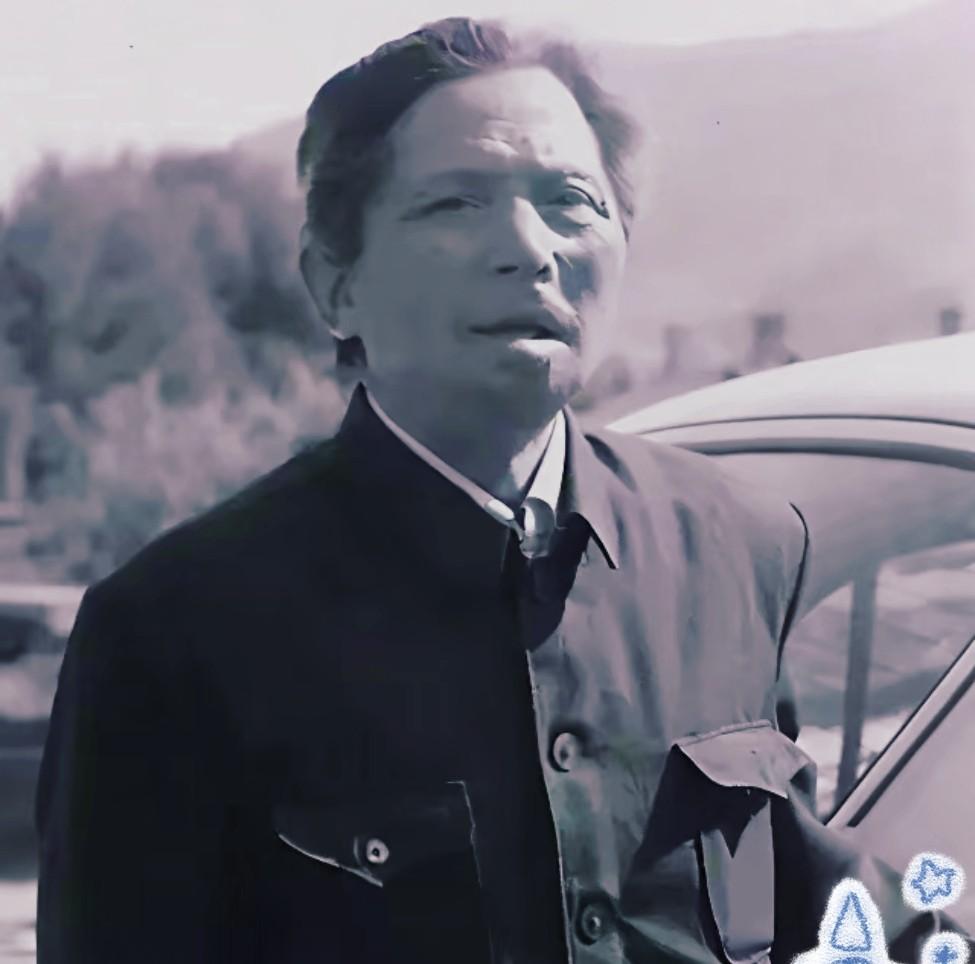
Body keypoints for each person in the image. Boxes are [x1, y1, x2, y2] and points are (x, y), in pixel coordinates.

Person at [35, 17, 940, 964]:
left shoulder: (733, 545)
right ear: (334, 285)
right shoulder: (177, 630)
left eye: (569, 201)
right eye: (455, 204)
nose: (527, 249)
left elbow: (799, 896)